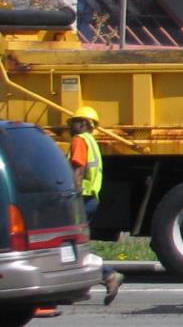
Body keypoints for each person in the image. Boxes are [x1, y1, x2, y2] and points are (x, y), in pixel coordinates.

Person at [37, 107, 125, 318]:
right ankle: (76, 287)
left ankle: (107, 275)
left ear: (84, 123)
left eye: (74, 121)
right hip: (90, 198)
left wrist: (69, 197)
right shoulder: (92, 142)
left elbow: (78, 169)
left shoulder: (80, 141)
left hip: (81, 198)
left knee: (70, 245)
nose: (69, 126)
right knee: (74, 245)